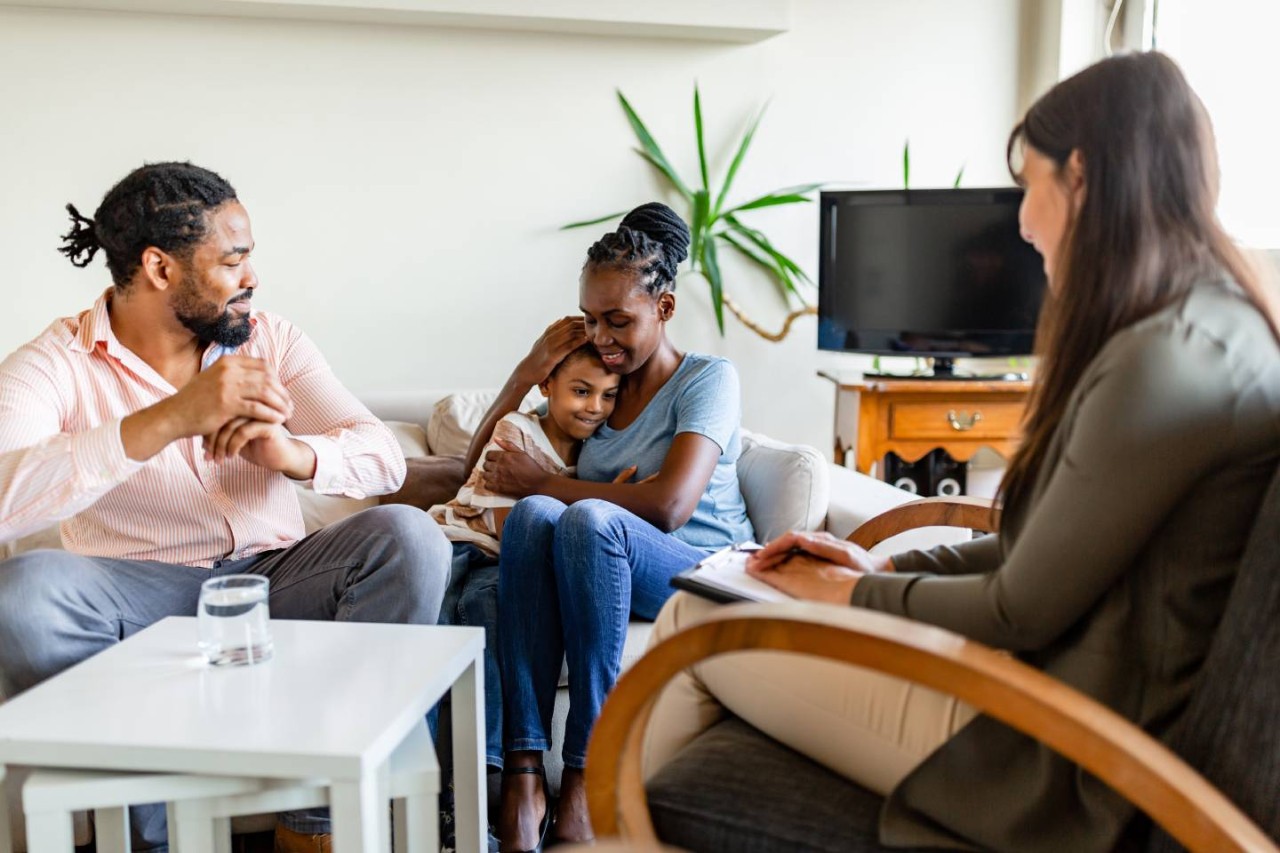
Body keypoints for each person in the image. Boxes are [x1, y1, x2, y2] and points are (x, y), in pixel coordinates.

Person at [644, 52, 1280, 853]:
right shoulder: (1214, 327)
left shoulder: (1164, 360)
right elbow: (1034, 550)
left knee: (692, 617)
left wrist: (845, 596)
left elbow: (1019, 607)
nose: (1018, 221)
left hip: (1056, 755)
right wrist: (875, 572)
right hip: (1059, 699)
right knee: (724, 605)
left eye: (1027, 183)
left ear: (1080, 174)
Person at [0, 162, 452, 853]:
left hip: (274, 581)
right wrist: (172, 417)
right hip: (135, 607)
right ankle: (149, 835)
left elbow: (383, 458)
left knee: (410, 539)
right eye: (234, 259)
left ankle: (311, 829)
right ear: (159, 267)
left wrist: (292, 455)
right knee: (24, 595)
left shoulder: (272, 339)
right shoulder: (53, 362)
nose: (252, 278)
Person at [466, 202, 754, 850]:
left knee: (583, 513)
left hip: (699, 568)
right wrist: (528, 367)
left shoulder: (707, 379)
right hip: (596, 556)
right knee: (541, 516)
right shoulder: (598, 389)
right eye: (591, 320)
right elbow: (486, 464)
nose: (602, 337)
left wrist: (542, 482)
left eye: (618, 320)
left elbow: (670, 505)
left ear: (666, 309)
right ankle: (523, 771)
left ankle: (590, 775)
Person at [428, 343, 620, 841]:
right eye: (581, 391)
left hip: (501, 569)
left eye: (608, 395)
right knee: (436, 637)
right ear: (547, 387)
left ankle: (482, 789)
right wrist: (591, 494)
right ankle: (441, 802)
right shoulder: (517, 429)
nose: (594, 407)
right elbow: (504, 520)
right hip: (459, 546)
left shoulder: (595, 452)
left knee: (488, 632)